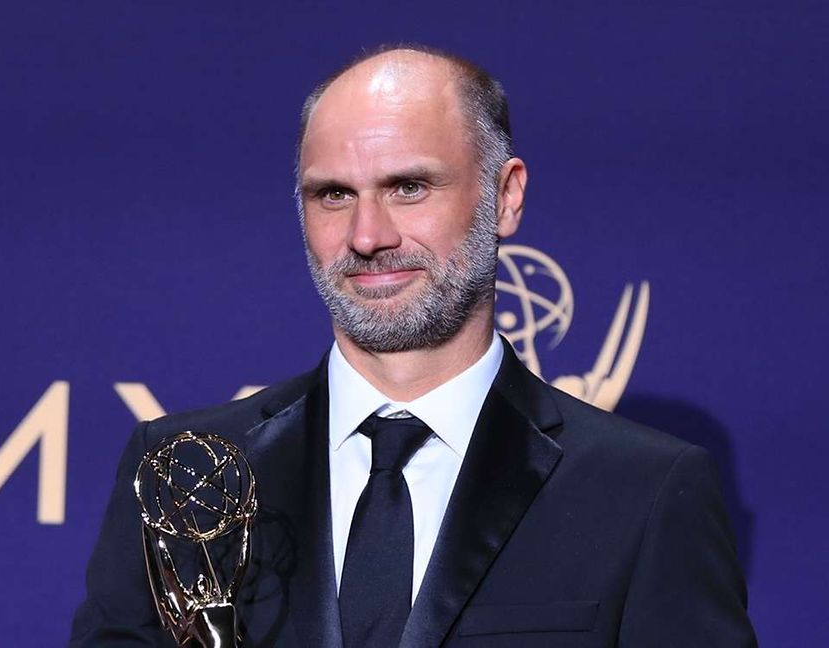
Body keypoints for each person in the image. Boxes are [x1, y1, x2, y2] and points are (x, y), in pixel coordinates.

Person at [70, 45, 756, 647]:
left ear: (506, 197)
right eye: (333, 194)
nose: (368, 235)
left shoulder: (643, 491)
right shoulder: (185, 477)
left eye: (408, 186)